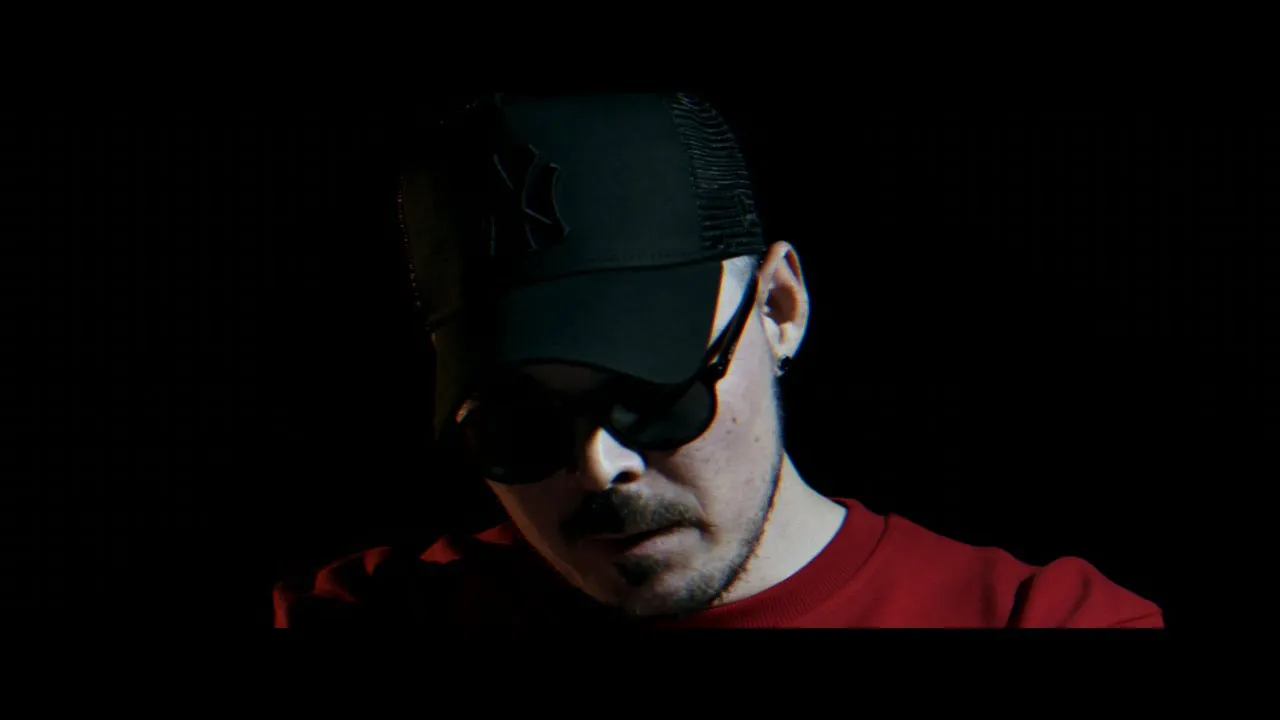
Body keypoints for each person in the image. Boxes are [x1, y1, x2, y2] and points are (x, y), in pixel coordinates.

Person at [272, 93, 1164, 628]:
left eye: (652, 389)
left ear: (779, 309)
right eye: (519, 427)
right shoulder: (368, 614)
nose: (601, 467)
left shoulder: (1042, 621)